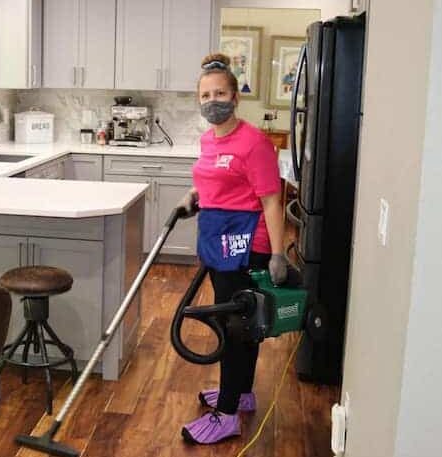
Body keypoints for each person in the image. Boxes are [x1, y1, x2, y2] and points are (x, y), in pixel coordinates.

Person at [175, 53, 288, 445]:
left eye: (220, 93)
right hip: (217, 239)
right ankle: (241, 394)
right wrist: (192, 196)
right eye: (205, 95)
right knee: (241, 326)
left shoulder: (254, 142)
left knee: (234, 328)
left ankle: (225, 415)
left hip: (245, 245)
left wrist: (277, 254)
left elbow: (272, 200)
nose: (212, 101)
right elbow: (214, 182)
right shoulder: (209, 139)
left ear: (235, 96)